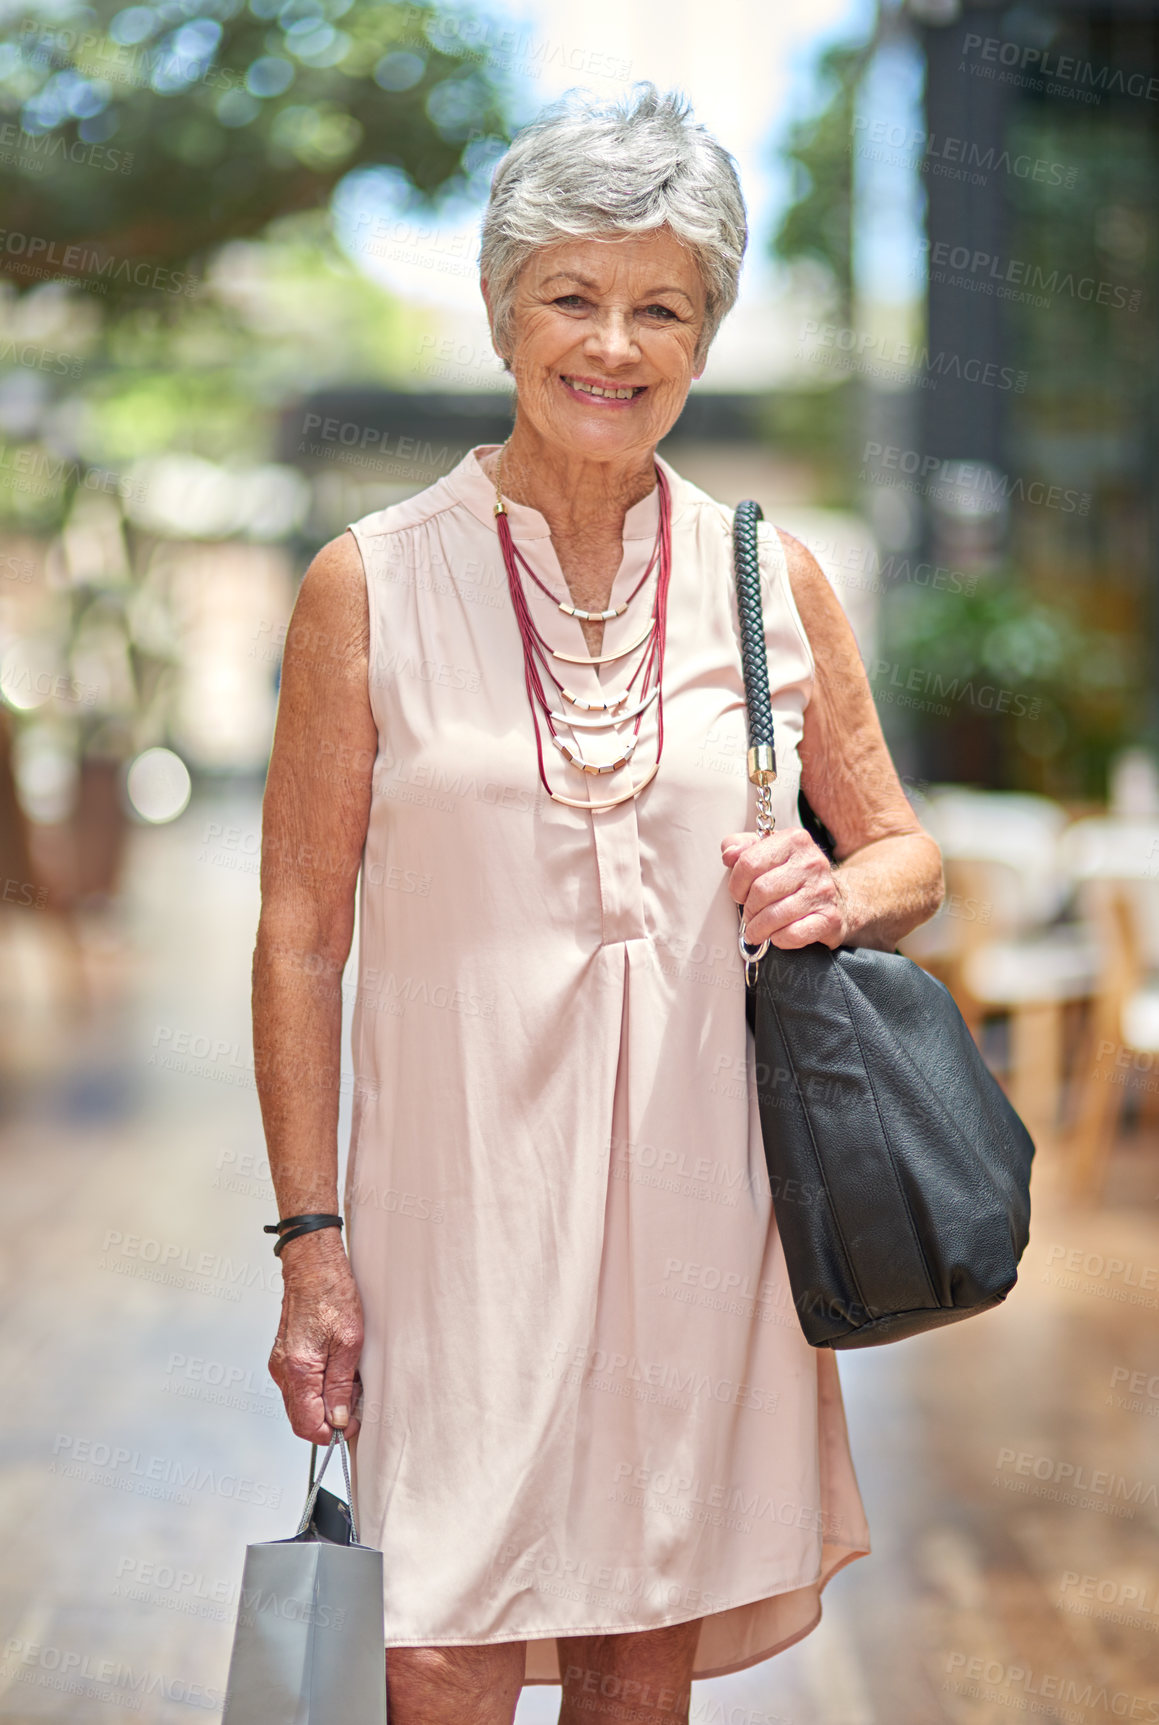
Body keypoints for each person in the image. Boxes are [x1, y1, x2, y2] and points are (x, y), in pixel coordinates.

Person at [252, 85, 944, 1725]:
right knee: (436, 1650)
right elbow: (298, 935)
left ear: (705, 334)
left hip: (711, 1221)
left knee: (643, 1655)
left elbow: (908, 852)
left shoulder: (769, 574)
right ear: (505, 308)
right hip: (453, 1224)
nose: (614, 345)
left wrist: (833, 892)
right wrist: (309, 1249)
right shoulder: (367, 581)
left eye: (664, 308)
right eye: (574, 295)